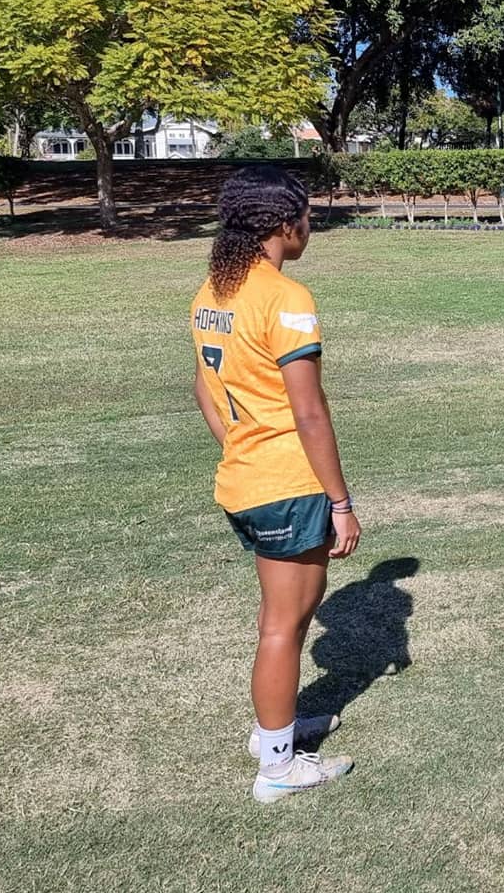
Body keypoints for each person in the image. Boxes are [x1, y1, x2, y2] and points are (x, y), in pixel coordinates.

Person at [190, 166, 361, 801]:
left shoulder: (214, 289)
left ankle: (276, 730)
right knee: (284, 626)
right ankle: (279, 767)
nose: (310, 226)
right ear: (285, 224)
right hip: (286, 483)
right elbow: (310, 412)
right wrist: (340, 503)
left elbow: (202, 391)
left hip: (247, 480)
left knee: (281, 616)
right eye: (308, 216)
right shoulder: (287, 298)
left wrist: (240, 446)